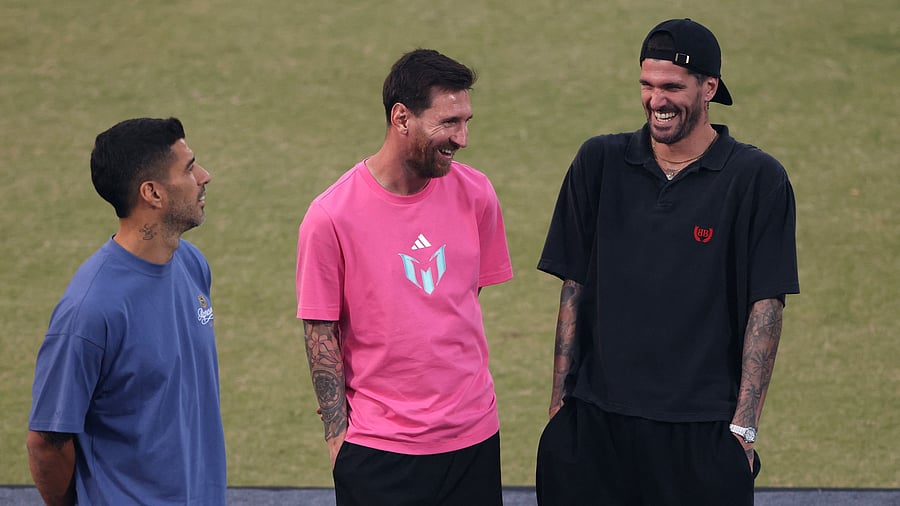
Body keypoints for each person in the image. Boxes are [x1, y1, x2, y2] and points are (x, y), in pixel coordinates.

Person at [534, 18, 800, 505]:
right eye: (648, 85)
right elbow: (573, 287)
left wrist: (744, 429)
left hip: (701, 433)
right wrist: (559, 408)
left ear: (709, 88)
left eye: (673, 87)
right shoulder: (598, 162)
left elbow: (766, 305)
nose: (657, 100)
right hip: (595, 427)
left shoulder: (758, 179)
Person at [295, 48, 513, 506]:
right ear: (401, 118)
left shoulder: (477, 194)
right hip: (379, 452)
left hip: (473, 439)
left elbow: (461, 299)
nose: (463, 138)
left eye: (466, 121)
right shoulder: (331, 216)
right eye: (448, 123)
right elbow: (319, 329)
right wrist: (337, 439)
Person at [26, 117, 226, 506]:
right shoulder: (90, 310)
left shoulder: (192, 264)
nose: (204, 176)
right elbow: (47, 441)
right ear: (152, 193)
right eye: (189, 168)